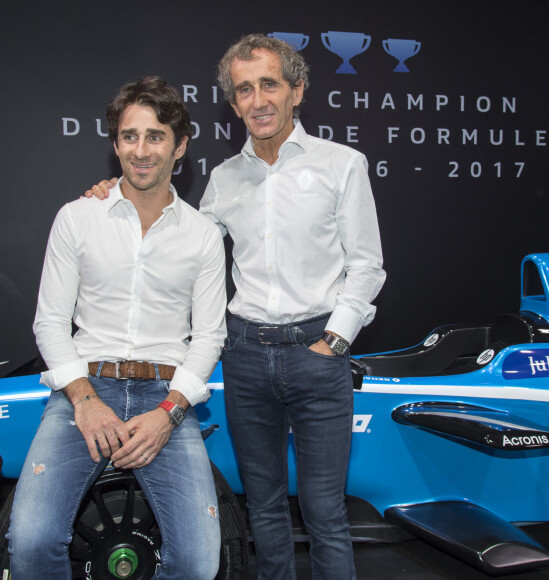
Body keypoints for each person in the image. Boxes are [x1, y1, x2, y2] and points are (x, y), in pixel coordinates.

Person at [85, 34, 385, 579]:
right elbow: (176, 236)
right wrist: (117, 192)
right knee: (263, 511)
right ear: (233, 102)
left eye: (269, 83)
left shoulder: (343, 166)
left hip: (319, 356)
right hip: (245, 357)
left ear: (298, 89)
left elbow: (366, 266)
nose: (258, 99)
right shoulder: (223, 180)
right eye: (244, 89)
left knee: (324, 514)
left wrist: (333, 341)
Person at [7, 76, 227, 579]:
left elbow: (209, 337)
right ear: (115, 144)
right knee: (32, 542)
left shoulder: (203, 235)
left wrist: (168, 415)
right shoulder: (77, 218)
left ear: (181, 146)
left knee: (197, 562)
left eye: (156, 136)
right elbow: (50, 323)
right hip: (83, 391)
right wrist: (85, 402)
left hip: (166, 399)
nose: (142, 150)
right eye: (130, 136)